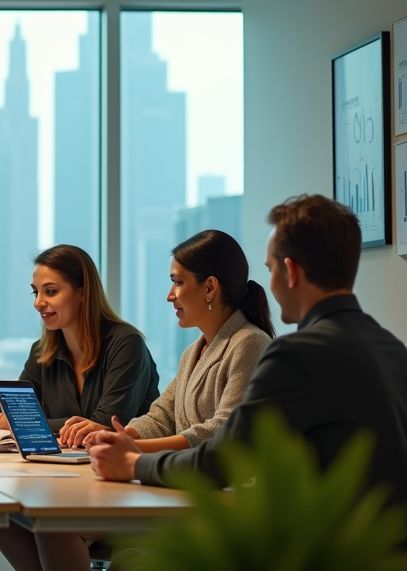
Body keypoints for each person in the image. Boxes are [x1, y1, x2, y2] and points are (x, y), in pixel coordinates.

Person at [88, 195, 407, 520]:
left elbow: (226, 457)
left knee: (130, 566)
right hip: (382, 553)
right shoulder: (394, 350)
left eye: (270, 269)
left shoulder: (295, 355)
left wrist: (134, 463)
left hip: (329, 559)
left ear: (290, 271)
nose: (267, 283)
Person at [0, 244, 160, 571]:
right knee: (0, 525)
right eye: (35, 292)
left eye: (51, 291)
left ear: (82, 293)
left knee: (51, 524)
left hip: (121, 486)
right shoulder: (43, 350)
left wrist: (30, 423)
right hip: (68, 484)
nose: (38, 303)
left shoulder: (125, 344)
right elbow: (11, 413)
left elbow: (105, 423)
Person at [123, 230, 274, 453]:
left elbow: (224, 430)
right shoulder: (192, 352)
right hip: (187, 479)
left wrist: (134, 447)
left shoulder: (251, 343)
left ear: (210, 288)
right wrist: (118, 436)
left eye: (177, 282)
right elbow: (162, 417)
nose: (170, 295)